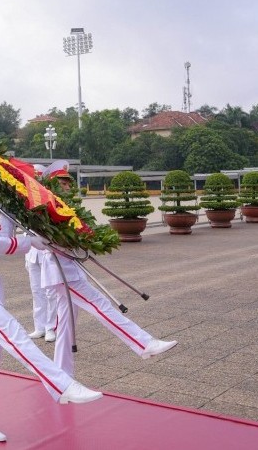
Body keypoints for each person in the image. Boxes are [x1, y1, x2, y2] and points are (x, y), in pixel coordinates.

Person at [0, 157, 102, 443]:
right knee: (17, 337)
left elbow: (0, 233)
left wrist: (9, 212)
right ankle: (62, 384)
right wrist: (29, 242)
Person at [39, 160, 178, 376]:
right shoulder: (47, 209)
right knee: (101, 306)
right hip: (62, 274)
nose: (68, 186)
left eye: (68, 182)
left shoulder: (63, 207)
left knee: (66, 326)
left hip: (69, 271)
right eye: (62, 183)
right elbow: (46, 240)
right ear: (52, 185)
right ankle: (144, 344)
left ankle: (61, 375)